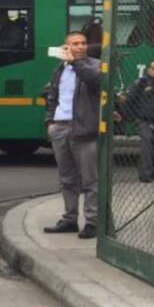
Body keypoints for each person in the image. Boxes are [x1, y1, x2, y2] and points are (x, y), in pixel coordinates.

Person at [41, 31, 101, 239]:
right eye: (75, 44)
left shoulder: (94, 65)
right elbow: (52, 95)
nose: (81, 46)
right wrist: (50, 121)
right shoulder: (59, 69)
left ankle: (93, 222)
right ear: (66, 47)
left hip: (84, 129)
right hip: (60, 127)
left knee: (90, 180)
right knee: (67, 178)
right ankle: (69, 219)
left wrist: (75, 62)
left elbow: (96, 82)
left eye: (83, 43)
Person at [122, 60, 154, 183]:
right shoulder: (141, 83)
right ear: (149, 69)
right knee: (148, 143)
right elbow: (129, 100)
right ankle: (145, 174)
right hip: (144, 120)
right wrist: (131, 118)